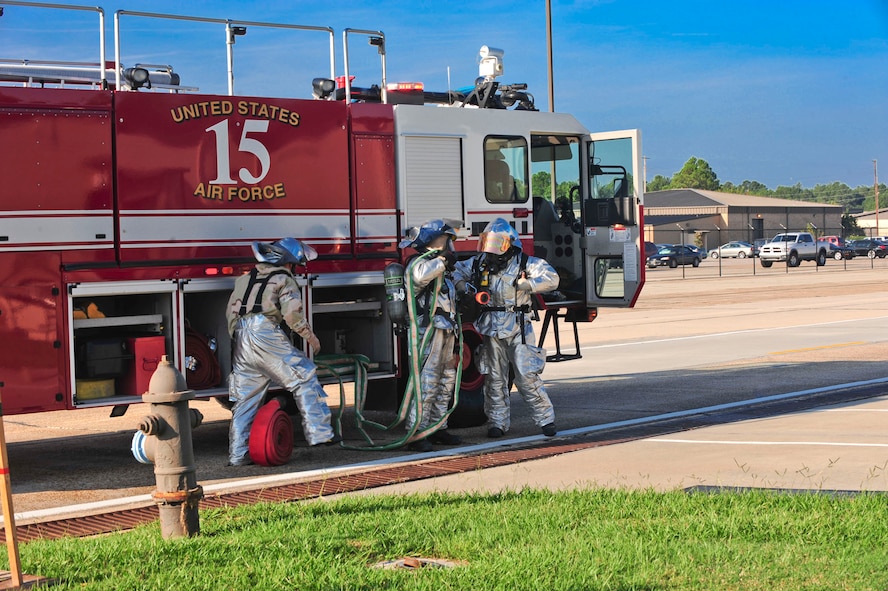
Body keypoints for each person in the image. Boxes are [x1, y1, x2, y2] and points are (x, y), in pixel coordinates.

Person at [225, 237, 338, 466]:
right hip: (265, 331)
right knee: (304, 376)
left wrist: (241, 341)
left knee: (245, 400)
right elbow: (292, 315)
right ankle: (320, 434)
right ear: (289, 262)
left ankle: (238, 455)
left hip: (240, 336)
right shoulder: (284, 279)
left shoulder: (244, 279)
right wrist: (311, 338)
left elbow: (230, 315)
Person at [453, 218, 560, 438]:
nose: (491, 249)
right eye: (488, 242)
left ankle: (546, 420)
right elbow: (456, 272)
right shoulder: (479, 262)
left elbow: (552, 278)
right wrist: (464, 287)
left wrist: (528, 284)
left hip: (517, 325)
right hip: (490, 326)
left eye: (496, 243)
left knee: (526, 375)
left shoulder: (524, 263)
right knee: (494, 377)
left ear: (510, 244)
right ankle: (497, 423)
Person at [399, 219, 463, 452]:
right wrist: (442, 261)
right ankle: (417, 432)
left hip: (445, 329)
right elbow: (419, 278)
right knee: (426, 382)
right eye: (446, 239)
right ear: (434, 240)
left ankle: (438, 427)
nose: (449, 245)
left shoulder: (442, 267)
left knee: (446, 381)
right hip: (426, 332)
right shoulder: (418, 264)